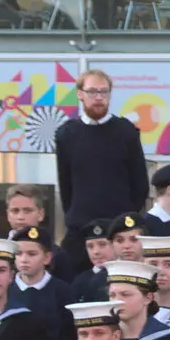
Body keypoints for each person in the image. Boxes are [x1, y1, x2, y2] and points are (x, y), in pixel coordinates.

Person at [54, 70, 149, 265]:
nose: (99, 97)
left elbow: (140, 183)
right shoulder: (66, 134)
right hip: (80, 229)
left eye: (104, 92)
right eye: (92, 92)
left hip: (118, 229)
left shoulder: (126, 131)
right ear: (80, 94)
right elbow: (65, 185)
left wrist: (125, 218)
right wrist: (75, 213)